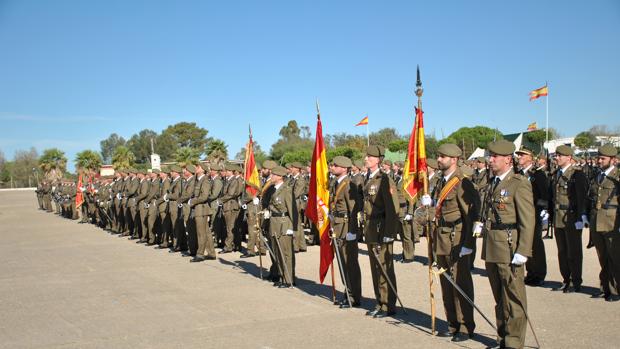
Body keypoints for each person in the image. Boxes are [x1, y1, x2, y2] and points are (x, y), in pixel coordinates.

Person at [482, 140, 534, 349]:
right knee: (499, 297)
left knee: (513, 297)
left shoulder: (518, 183)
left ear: (507, 159)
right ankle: (502, 337)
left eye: (495, 157)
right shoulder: (493, 182)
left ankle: (514, 343)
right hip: (493, 245)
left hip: (510, 246)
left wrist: (523, 250)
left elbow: (528, 220)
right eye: (490, 156)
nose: (490, 160)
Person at [424, 144, 479, 342]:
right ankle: (452, 323)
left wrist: (468, 244)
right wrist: (427, 205)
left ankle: (465, 326)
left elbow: (471, 216)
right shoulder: (440, 181)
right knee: (446, 283)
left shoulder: (463, 183)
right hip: (442, 237)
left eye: (442, 156)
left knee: (460, 282)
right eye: (438, 156)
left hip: (457, 237)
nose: (438, 159)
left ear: (454, 159)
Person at [362, 145, 399, 318]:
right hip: (370, 228)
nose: (366, 159)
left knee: (384, 267)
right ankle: (379, 301)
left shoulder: (384, 179)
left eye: (370, 157)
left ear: (378, 159)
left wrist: (389, 232)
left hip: (381, 227)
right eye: (366, 156)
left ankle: (388, 304)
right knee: (375, 268)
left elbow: (393, 209)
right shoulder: (368, 178)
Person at [550, 145, 589, 293]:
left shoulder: (577, 175)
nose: (557, 158)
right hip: (559, 217)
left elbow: (581, 197)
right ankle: (566, 279)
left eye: (560, 156)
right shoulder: (556, 174)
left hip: (572, 217)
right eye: (556, 155)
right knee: (562, 251)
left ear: (569, 158)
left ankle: (575, 280)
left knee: (574, 251)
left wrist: (581, 216)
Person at [588, 144, 620, 301]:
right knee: (602, 256)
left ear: (613, 160)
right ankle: (605, 287)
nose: (599, 161)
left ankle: (616, 290)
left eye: (602, 158)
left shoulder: (617, 177)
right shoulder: (597, 176)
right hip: (597, 221)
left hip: (612, 221)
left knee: (615, 257)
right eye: (598, 158)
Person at [329, 156, 362, 307]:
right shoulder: (336, 183)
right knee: (342, 262)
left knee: (350, 264)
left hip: (346, 227)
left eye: (335, 165)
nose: (332, 167)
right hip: (337, 226)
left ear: (343, 168)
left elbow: (354, 210)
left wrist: (353, 231)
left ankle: (353, 296)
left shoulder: (349, 185)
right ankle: (347, 292)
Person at [515, 147, 549, 287]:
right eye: (519, 155)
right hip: (519, 213)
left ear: (530, 157)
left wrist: (541, 209)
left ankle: (539, 273)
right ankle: (530, 272)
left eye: (523, 155)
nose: (520, 157)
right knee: (524, 243)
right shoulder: (517, 174)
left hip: (533, 213)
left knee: (535, 244)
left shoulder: (537, 174)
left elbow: (544, 194)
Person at [266, 166, 297, 287]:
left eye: (273, 175)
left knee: (286, 253)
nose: (271, 177)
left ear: (279, 176)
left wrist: (292, 228)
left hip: (284, 223)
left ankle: (288, 279)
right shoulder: (273, 189)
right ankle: (281, 275)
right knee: (277, 252)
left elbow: (292, 210)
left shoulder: (287, 190)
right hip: (274, 222)